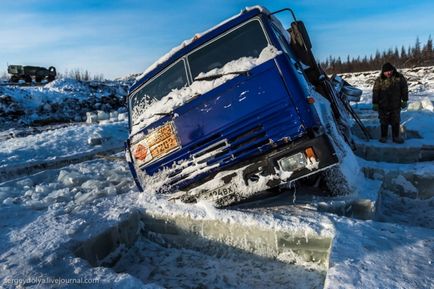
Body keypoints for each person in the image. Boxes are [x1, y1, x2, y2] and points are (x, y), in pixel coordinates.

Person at [372, 62, 408, 143]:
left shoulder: (399, 77)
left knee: (395, 121)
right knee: (383, 121)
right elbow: (375, 92)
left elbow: (404, 89)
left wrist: (404, 100)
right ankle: (383, 137)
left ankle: (396, 137)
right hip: (383, 105)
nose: (388, 73)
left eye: (390, 71)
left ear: (393, 70)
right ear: (383, 72)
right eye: (386, 71)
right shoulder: (379, 80)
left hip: (395, 105)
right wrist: (375, 103)